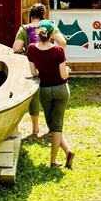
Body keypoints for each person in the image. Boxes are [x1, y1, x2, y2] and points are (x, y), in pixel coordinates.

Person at [26, 20, 74, 168]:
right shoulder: (58, 50)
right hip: (61, 89)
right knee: (57, 125)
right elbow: (63, 75)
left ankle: (57, 158)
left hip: (45, 89)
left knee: (53, 125)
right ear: (52, 34)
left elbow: (33, 73)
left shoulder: (32, 49)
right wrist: (68, 71)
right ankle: (64, 153)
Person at [13, 3, 67, 136]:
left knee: (34, 98)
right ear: (43, 14)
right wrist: (56, 52)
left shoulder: (24, 28)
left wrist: (27, 51)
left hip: (32, 66)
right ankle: (54, 129)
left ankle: (35, 127)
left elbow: (15, 47)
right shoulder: (49, 26)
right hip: (51, 67)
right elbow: (63, 42)